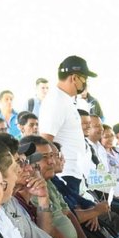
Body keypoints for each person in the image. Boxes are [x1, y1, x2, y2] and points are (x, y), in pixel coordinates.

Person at [39, 55, 96, 197]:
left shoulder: (64, 99)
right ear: (74, 78)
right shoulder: (56, 101)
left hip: (73, 172)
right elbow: (45, 140)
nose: (85, 83)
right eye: (84, 79)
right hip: (65, 174)